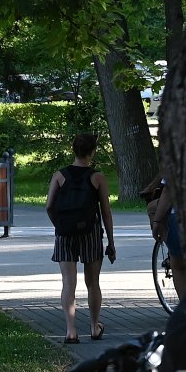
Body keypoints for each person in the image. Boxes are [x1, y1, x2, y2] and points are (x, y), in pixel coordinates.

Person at [46, 133, 116, 344]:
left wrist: (60, 225)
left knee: (69, 282)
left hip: (65, 234)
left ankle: (71, 331)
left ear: (73, 150)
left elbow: (49, 206)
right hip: (90, 233)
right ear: (92, 152)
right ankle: (94, 327)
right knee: (92, 282)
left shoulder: (59, 176)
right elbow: (106, 213)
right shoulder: (98, 178)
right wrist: (111, 242)